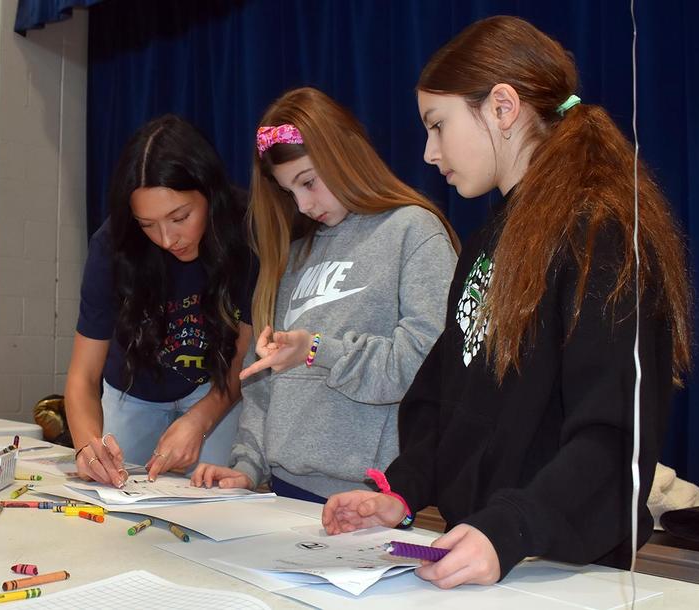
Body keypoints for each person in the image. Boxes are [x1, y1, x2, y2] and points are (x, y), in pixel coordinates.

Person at [322, 16, 693, 588]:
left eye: (438, 125)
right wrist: (402, 491)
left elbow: (614, 437)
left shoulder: (603, 233)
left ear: (502, 106)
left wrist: (512, 528)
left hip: (567, 570)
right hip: (486, 556)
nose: (428, 152)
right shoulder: (489, 239)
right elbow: (452, 391)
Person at [190, 87, 460, 502]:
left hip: (372, 498)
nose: (301, 205)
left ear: (343, 154)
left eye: (308, 182)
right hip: (283, 491)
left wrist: (317, 349)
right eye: (288, 191)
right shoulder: (294, 256)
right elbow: (262, 386)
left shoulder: (412, 231)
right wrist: (246, 466)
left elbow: (426, 367)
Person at [65, 114, 255, 487]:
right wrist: (86, 447)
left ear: (210, 193)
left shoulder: (247, 232)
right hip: (132, 389)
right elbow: (83, 375)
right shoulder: (112, 245)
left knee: (212, 500)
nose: (168, 239)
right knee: (117, 495)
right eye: (148, 225)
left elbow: (243, 361)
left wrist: (200, 420)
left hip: (215, 385)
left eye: (180, 217)